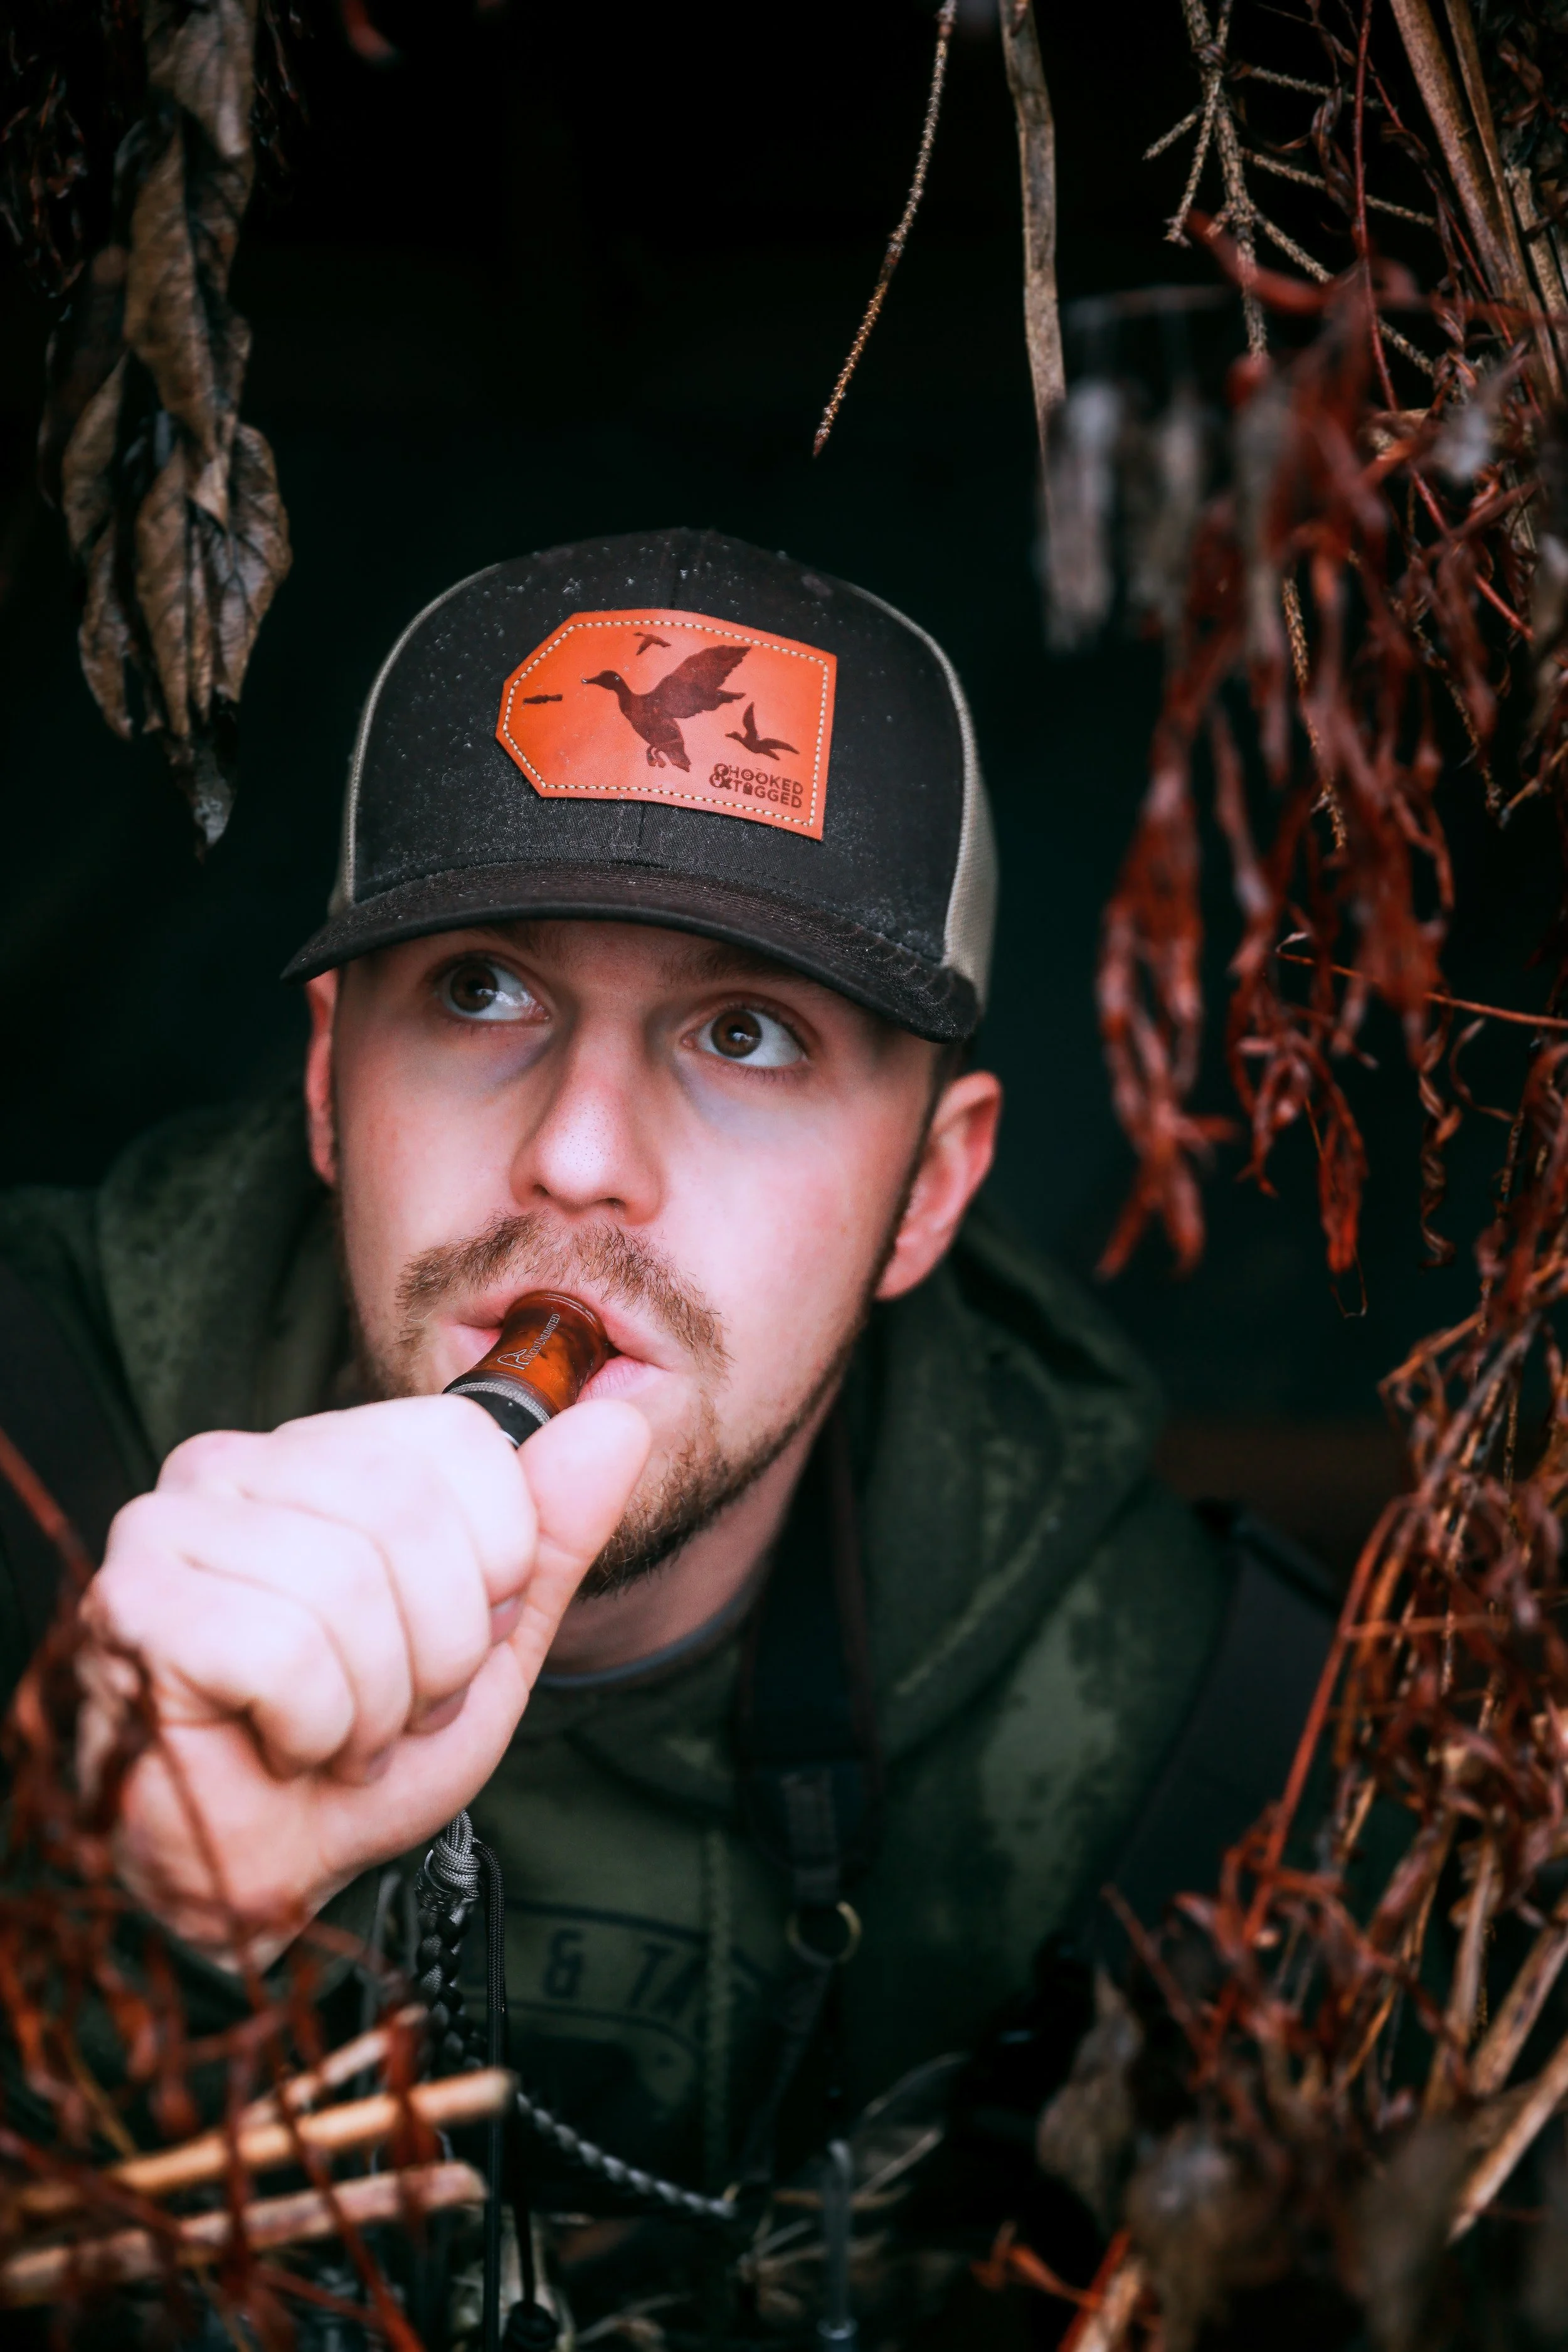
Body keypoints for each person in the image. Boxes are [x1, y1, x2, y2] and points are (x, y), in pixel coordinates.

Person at [0, 531, 1331, 2333]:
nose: (578, 1154)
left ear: (928, 1194)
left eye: (747, 1032)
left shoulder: (1196, 1758)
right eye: (481, 988)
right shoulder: (25, 1454)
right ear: (325, 1079)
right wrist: (111, 1904)